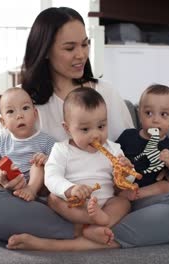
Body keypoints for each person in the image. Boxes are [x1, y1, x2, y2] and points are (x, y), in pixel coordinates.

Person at [0, 7, 169, 251]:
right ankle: (91, 235)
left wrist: (132, 173)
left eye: (85, 45)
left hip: (110, 206)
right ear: (45, 52)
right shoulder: (23, 101)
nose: (81, 55)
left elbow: (127, 159)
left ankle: (73, 239)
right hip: (54, 206)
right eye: (70, 47)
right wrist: (3, 177)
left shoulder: (106, 93)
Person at [45, 88, 131, 245]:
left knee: (123, 202)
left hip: (106, 204)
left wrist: (127, 172)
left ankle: (96, 225)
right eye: (85, 129)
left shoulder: (114, 149)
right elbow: (51, 177)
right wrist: (71, 189)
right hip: (76, 205)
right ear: (67, 129)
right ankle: (94, 223)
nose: (95, 135)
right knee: (53, 199)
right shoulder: (61, 149)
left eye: (101, 126)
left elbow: (126, 182)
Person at [117, 84, 169, 201]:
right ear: (140, 114)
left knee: (166, 186)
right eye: (149, 113)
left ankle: (137, 194)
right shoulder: (127, 136)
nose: (155, 120)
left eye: (164, 114)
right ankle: (128, 195)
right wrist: (121, 162)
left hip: (151, 195)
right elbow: (111, 155)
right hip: (127, 186)